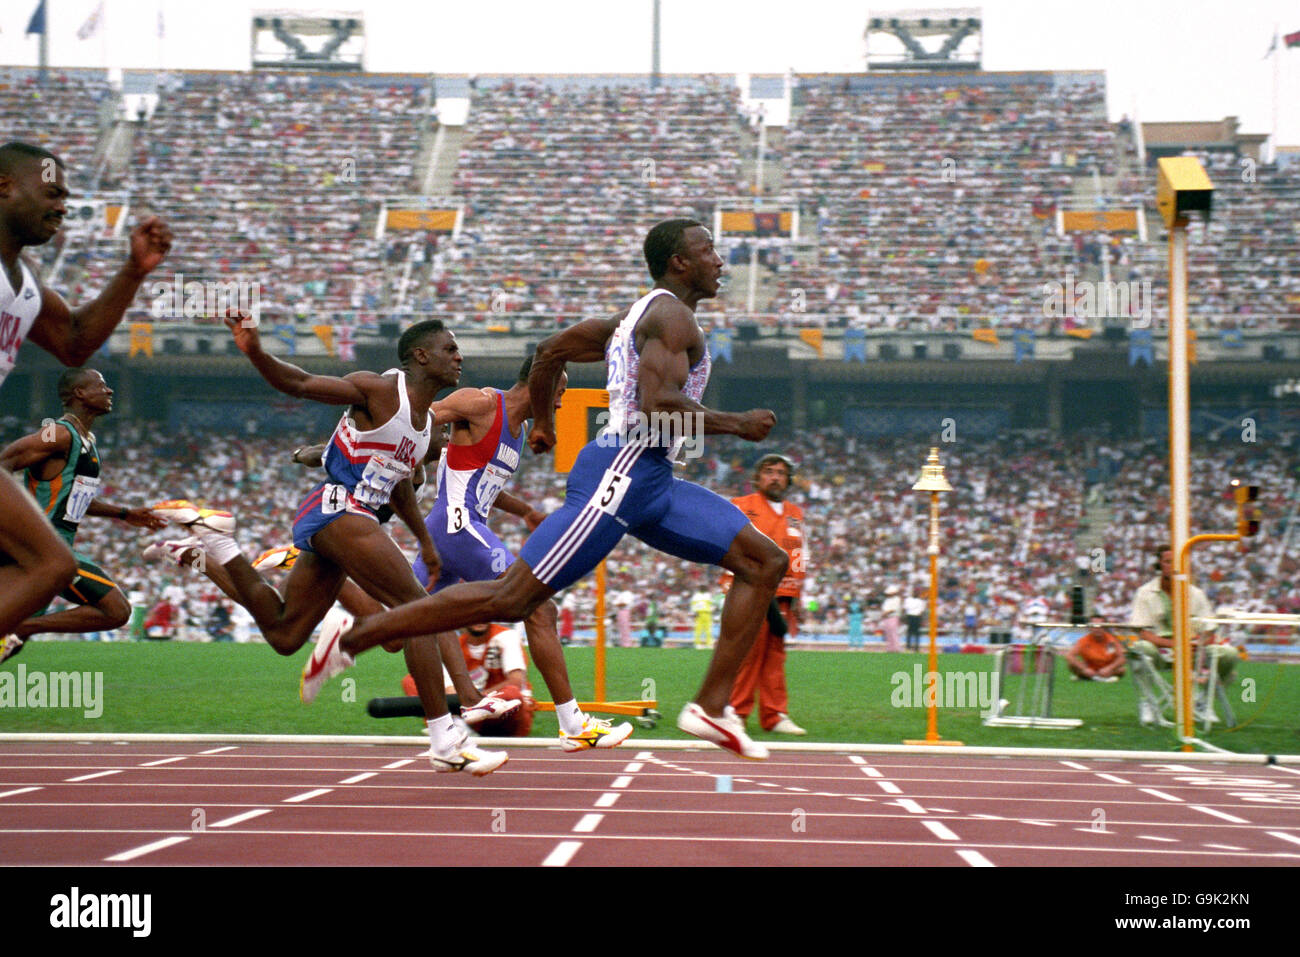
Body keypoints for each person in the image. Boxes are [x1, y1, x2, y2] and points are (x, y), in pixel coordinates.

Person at [302, 218, 788, 760]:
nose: (721, 262)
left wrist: (544, 426)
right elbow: (656, 406)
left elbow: (551, 349)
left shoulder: (631, 317)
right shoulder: (671, 316)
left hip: (655, 477)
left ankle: (710, 708)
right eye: (710, 251)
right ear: (680, 263)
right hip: (621, 472)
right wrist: (736, 423)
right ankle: (353, 638)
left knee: (764, 560)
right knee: (514, 598)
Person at [156, 315, 510, 777]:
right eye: (450, 348)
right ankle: (445, 738)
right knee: (418, 609)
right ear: (421, 355)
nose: (459, 357)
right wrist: (254, 349)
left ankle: (219, 547)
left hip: (348, 519)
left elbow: (399, 485)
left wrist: (425, 541)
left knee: (285, 634)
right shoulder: (382, 390)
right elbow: (299, 382)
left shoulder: (425, 427)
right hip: (339, 508)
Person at [404, 355, 630, 750]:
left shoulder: (521, 430)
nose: (560, 404)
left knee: (407, 623)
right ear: (540, 385)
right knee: (539, 607)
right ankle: (573, 724)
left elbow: (483, 481)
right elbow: (418, 418)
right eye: (558, 393)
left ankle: (340, 609)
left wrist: (524, 510)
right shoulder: (482, 404)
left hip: (454, 533)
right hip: (459, 529)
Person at [0, 141, 172, 639]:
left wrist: (134, 271)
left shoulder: (25, 284)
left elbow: (75, 342)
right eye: (51, 192)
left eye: (66, 196)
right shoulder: (59, 435)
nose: (62, 206)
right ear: (4, 187)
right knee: (49, 563)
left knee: (48, 564)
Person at [0, 368, 168, 660]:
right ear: (80, 393)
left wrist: (124, 513)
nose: (110, 391)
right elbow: (5, 461)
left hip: (57, 547)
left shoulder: (86, 441)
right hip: (40, 550)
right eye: (101, 386)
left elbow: (74, 501)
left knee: (9, 640)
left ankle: (23, 626)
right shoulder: (58, 433)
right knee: (116, 610)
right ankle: (24, 626)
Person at [728, 453, 807, 736]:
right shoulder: (742, 506)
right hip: (752, 591)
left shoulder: (795, 513)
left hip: (784, 595)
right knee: (747, 654)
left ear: (788, 479)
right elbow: (733, 549)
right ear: (758, 477)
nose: (775, 477)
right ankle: (735, 712)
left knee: (775, 657)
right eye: (769, 471)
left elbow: (797, 555)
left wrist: (797, 597)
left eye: (781, 473)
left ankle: (775, 715)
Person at [1130, 546, 1238, 724]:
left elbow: (1210, 630)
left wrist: (1199, 643)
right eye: (1167, 561)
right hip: (1160, 651)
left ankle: (1203, 701)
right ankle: (1148, 702)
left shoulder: (1196, 594)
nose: (1173, 566)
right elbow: (1142, 632)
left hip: (1194, 651)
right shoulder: (1145, 593)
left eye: (1177, 562)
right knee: (1141, 649)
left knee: (1230, 654)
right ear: (1159, 564)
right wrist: (1174, 645)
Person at [400, 622, 535, 737]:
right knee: (412, 680)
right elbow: (450, 690)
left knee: (512, 693)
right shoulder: (454, 646)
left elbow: (515, 681)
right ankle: (453, 725)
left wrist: (476, 700)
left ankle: (457, 725)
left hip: (505, 713)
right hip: (469, 711)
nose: (480, 619)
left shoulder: (505, 637)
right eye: (475, 614)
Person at [1063, 614, 1126, 681]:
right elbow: (1069, 655)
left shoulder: (1112, 640)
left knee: (1121, 670)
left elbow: (1122, 658)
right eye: (1094, 626)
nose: (1097, 629)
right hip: (1090, 668)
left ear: (1104, 627)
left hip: (1106, 668)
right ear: (1089, 627)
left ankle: (1089, 677)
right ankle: (1098, 678)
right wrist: (1084, 669)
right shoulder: (1083, 640)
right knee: (1071, 665)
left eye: (1100, 626)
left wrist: (1109, 668)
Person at [880, 584, 902, 652]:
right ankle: (890, 648)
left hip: (893, 617)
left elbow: (894, 609)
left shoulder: (897, 599)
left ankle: (896, 648)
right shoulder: (887, 600)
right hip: (886, 618)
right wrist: (884, 614)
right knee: (888, 633)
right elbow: (884, 608)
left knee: (893, 633)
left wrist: (885, 613)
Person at [903, 587, 926, 652]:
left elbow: (921, 611)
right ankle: (908, 647)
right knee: (909, 633)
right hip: (910, 616)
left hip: (917, 617)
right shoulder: (908, 600)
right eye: (915, 591)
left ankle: (916, 648)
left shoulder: (921, 601)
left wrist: (921, 620)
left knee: (917, 633)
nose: (916, 593)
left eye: (917, 592)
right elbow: (905, 609)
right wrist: (905, 618)